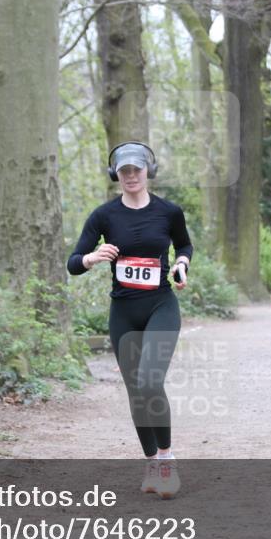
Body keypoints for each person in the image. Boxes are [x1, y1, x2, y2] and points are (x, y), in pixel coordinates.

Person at [67, 141, 192, 499]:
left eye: (137, 169)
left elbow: (184, 246)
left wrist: (182, 264)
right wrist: (92, 258)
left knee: (150, 381)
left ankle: (167, 460)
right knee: (136, 392)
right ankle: (151, 464)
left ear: (148, 171)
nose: (131, 176)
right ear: (116, 175)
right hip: (123, 312)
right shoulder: (103, 216)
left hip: (161, 306)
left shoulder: (169, 212)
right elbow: (73, 263)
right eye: (124, 171)